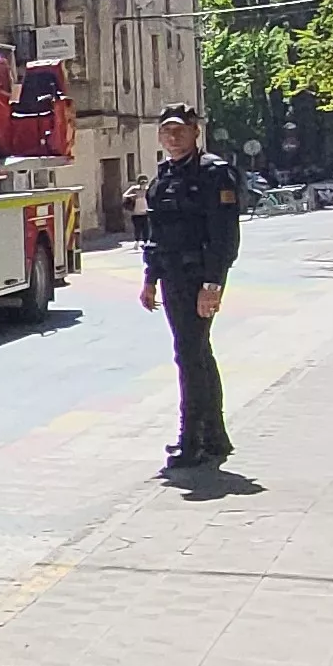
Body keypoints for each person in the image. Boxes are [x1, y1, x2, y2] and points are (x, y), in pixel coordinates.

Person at [134, 106, 243, 468]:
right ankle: (213, 436)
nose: (173, 137)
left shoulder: (213, 173)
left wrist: (213, 283)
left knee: (190, 354)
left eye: (180, 130)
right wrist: (150, 279)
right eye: (166, 130)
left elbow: (224, 235)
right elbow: (155, 234)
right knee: (195, 353)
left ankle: (192, 439)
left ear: (196, 131)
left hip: (199, 277)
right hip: (172, 278)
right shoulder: (164, 176)